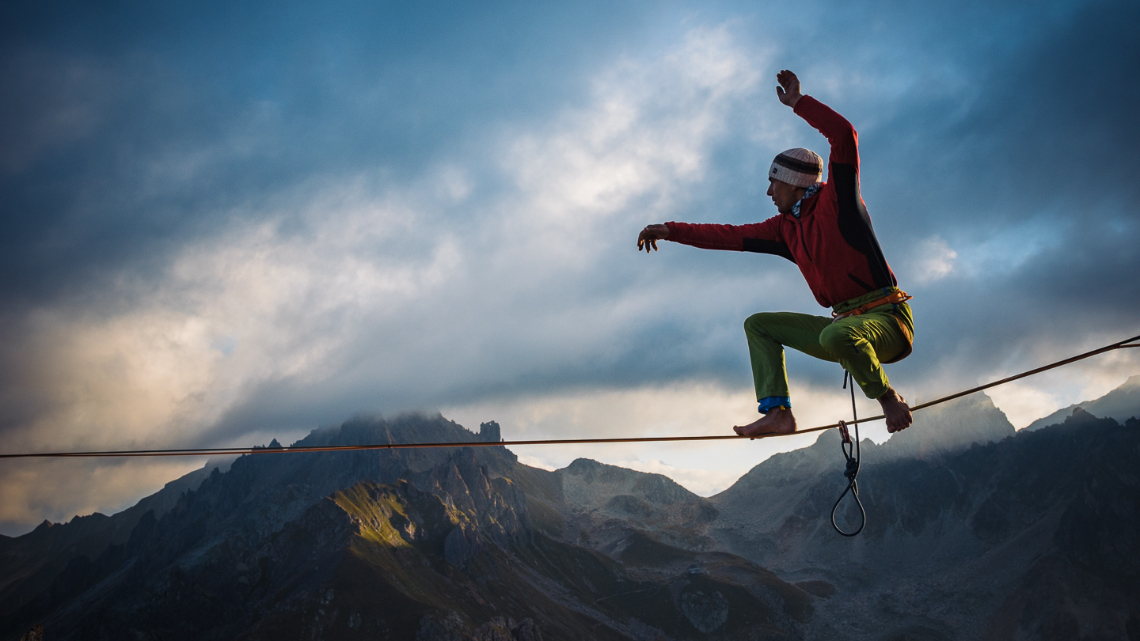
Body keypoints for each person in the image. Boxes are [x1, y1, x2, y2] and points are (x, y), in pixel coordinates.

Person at [637, 69, 914, 437]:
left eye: (773, 182)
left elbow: (844, 135)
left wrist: (799, 102)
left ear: (795, 182)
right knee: (759, 325)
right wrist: (671, 231)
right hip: (844, 324)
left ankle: (888, 398)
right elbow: (726, 236)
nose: (769, 192)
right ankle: (778, 413)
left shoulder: (839, 202)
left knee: (836, 336)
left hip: (887, 320)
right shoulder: (784, 229)